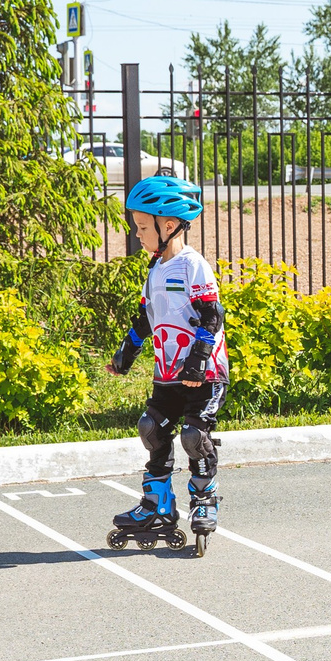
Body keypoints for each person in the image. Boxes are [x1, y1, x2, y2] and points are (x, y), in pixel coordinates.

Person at [105, 176, 230, 552]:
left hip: (204, 375)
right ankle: (156, 505)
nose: (137, 235)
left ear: (169, 225)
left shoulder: (193, 266)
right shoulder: (156, 268)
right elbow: (147, 317)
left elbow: (212, 315)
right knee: (151, 430)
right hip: (169, 374)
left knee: (194, 437)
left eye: (143, 227)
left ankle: (205, 501)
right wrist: (125, 355)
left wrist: (197, 361)